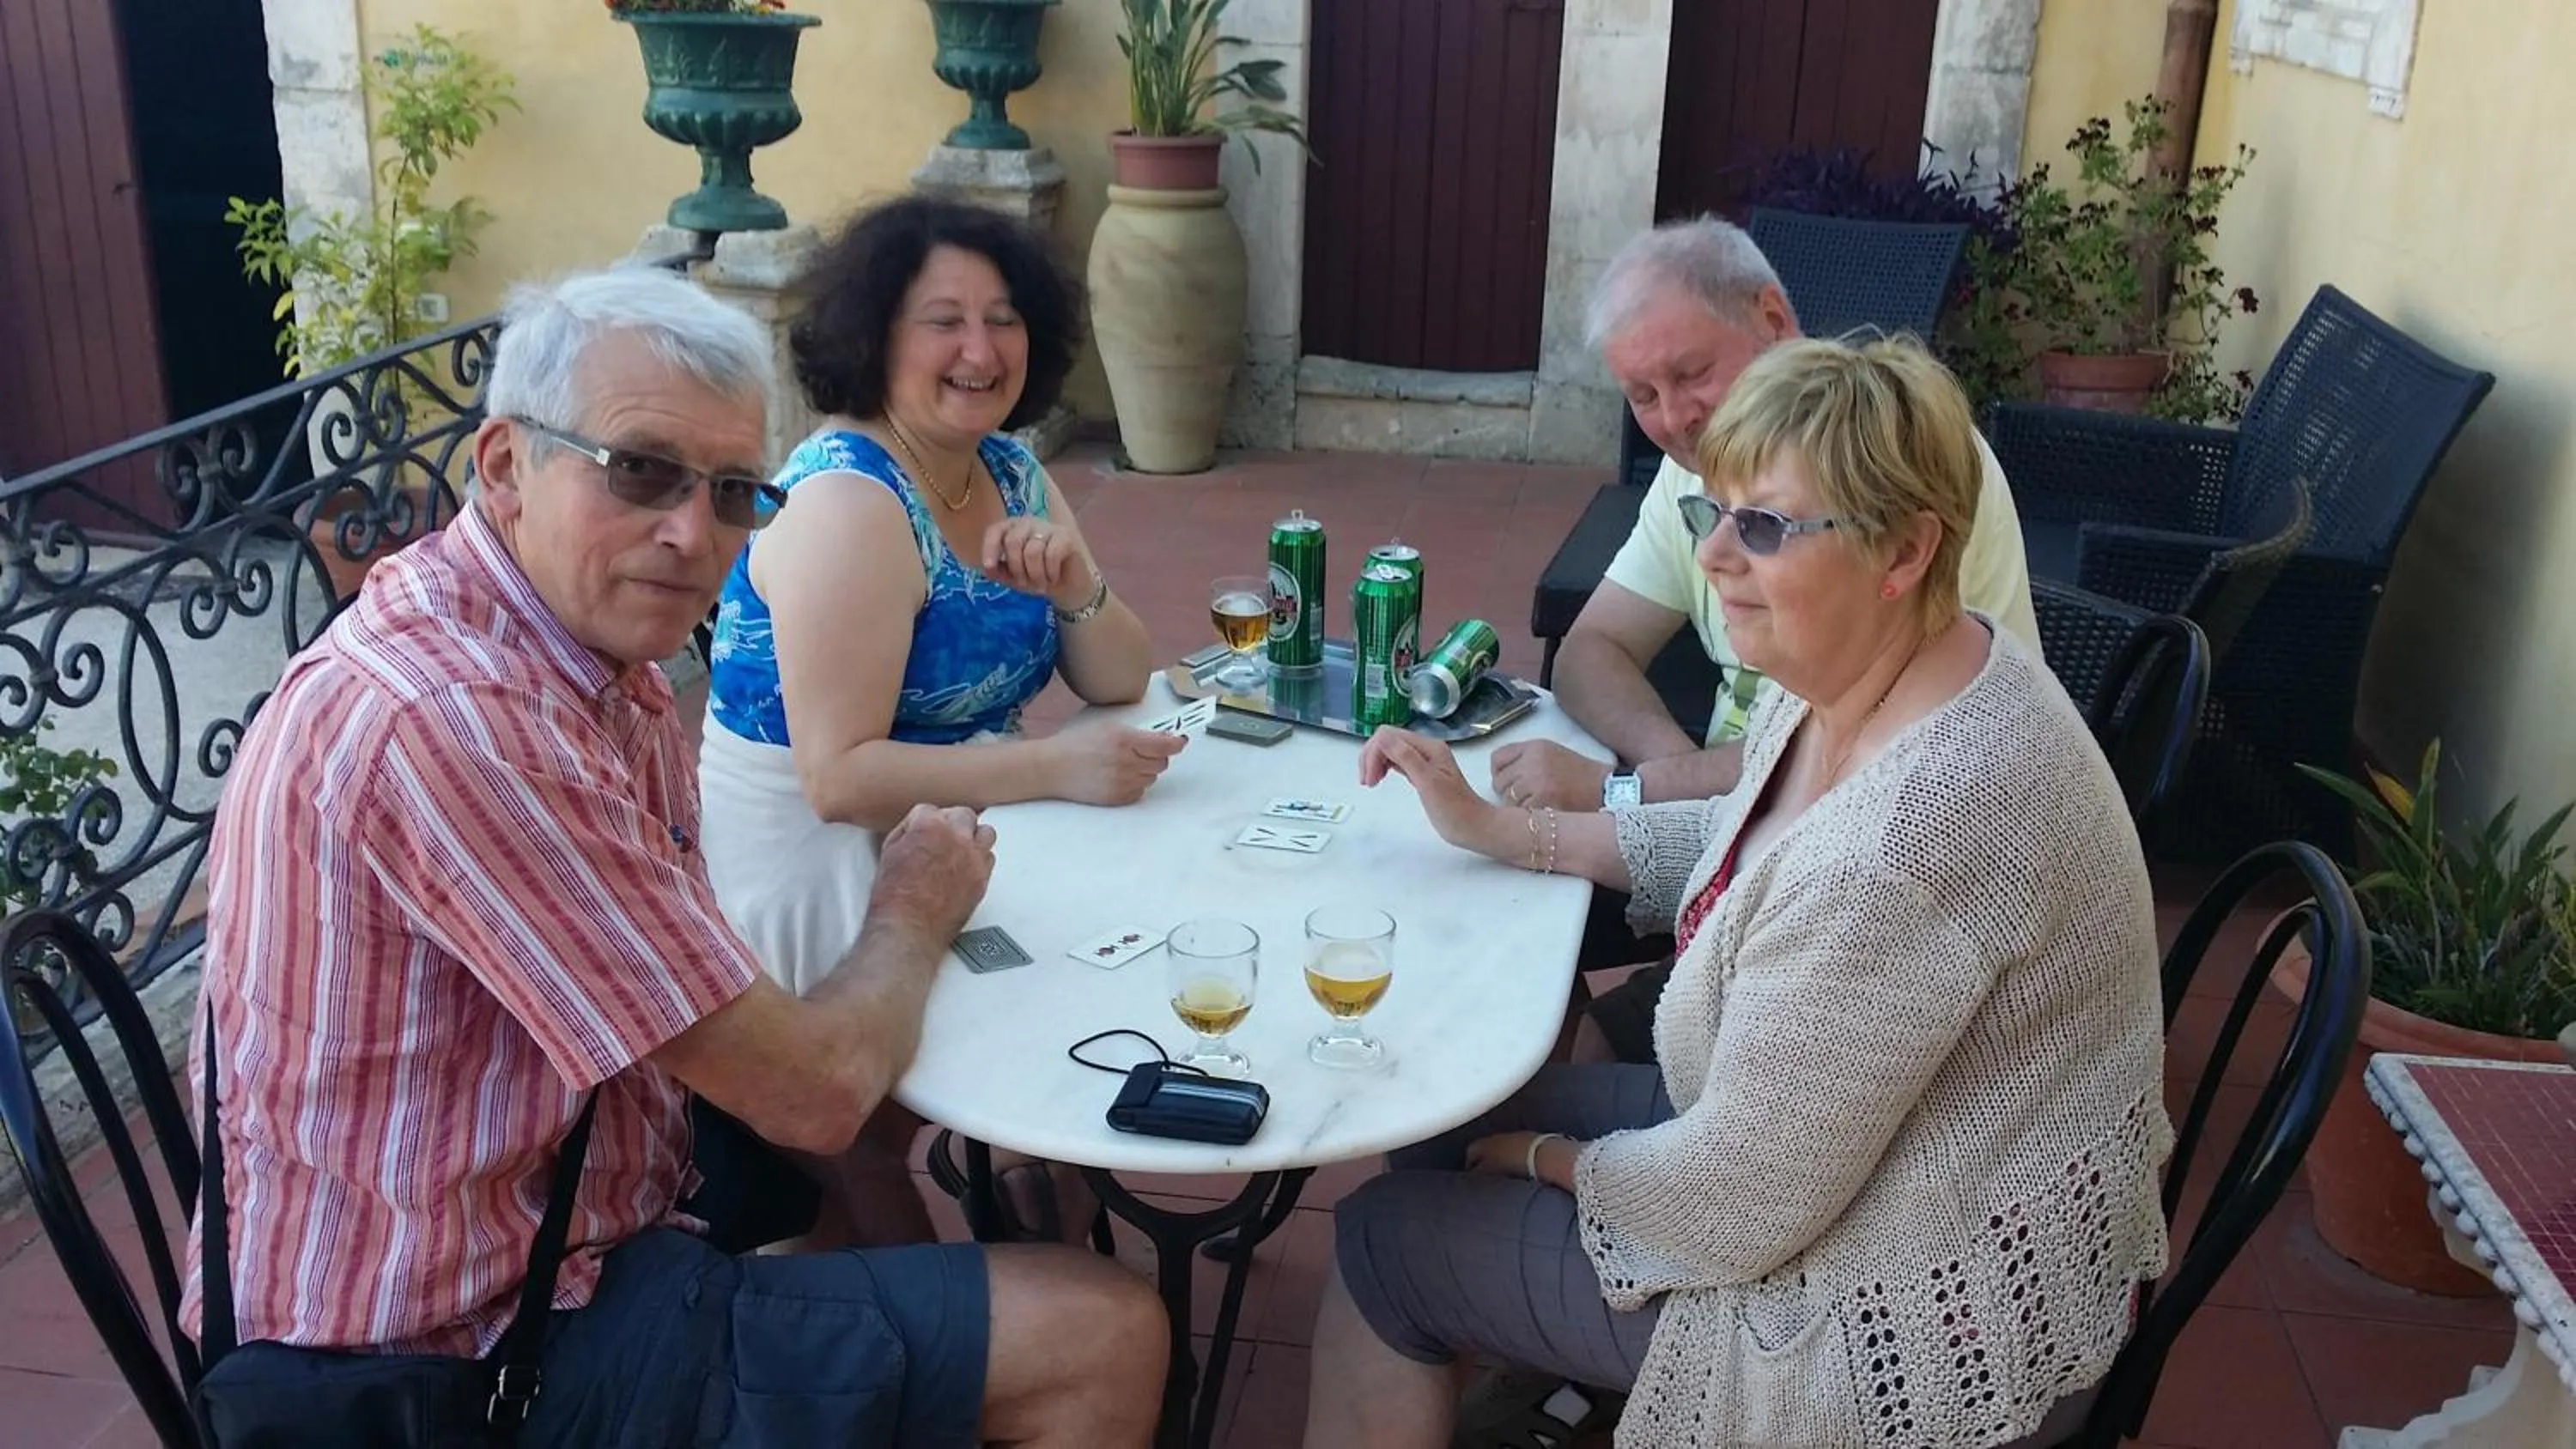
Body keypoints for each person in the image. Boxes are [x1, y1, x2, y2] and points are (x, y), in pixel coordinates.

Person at [181, 266, 1167, 1447]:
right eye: (639, 471)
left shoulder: (581, 648)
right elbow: (810, 1092)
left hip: (580, 1181)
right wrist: (913, 903)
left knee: (867, 1156)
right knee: (1104, 1330)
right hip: (455, 1350)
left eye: (737, 492)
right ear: (504, 467)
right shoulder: (457, 723)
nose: (694, 536)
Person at [1307, 336, 2169, 1449]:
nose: (1716, 559)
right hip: (1842, 1162)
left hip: (1903, 1302)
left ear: (1904, 549)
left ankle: (1467, 1334)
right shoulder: (1883, 668)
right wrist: (1510, 830)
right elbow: (1749, 840)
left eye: (1761, 525)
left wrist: (1543, 1164)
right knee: (1440, 1120)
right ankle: (1515, 1376)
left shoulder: (1916, 839)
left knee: (1383, 1242)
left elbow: (1739, 1201)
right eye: (1710, 514)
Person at [699, 196, 1173, 1243]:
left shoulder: (1006, 464)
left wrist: (1074, 587)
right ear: (874, 335)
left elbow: (1119, 674)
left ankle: (1054, 1238)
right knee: (871, 1122)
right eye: (942, 319)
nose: (979, 348)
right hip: (815, 855)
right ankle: (924, 1311)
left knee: (1090, 995)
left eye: (1003, 318)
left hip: (957, 815)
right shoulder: (846, 503)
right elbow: (838, 776)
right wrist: (1053, 767)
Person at [1492, 215, 2046, 1065]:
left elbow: (1852, 755)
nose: (1675, 420)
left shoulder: (1889, 467)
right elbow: (1592, 648)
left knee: (1536, 988)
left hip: (1875, 887)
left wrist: (1631, 791)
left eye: (1691, 373)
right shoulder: (1707, 461)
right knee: (1506, 919)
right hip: (1762, 837)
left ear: (1775, 321)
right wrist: (1667, 775)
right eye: (1643, 395)